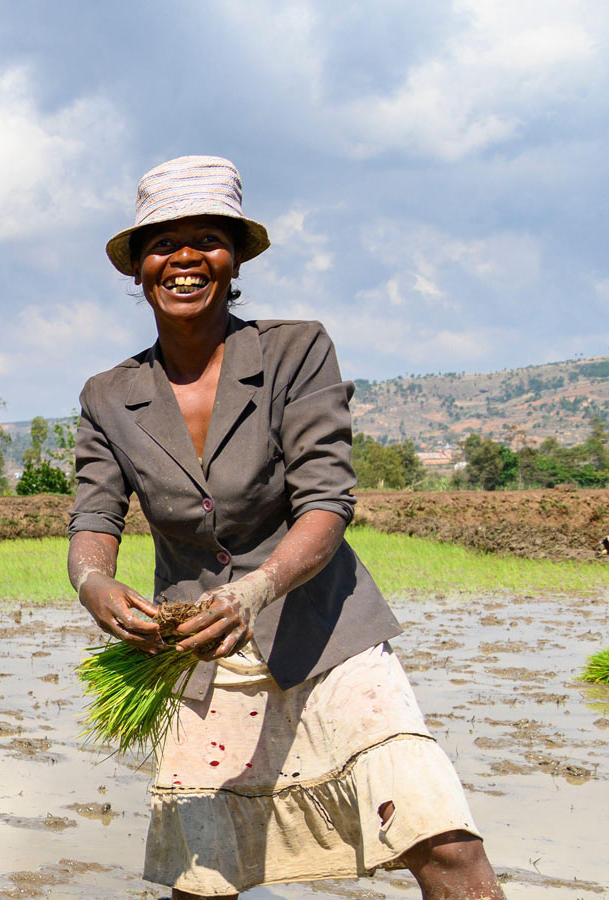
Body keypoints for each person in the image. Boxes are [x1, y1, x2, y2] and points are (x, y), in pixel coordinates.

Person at [67, 156, 502, 899]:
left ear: (234, 262)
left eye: (207, 238)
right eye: (162, 244)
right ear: (137, 269)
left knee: (443, 839)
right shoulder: (110, 396)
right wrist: (94, 582)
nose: (184, 259)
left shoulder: (296, 351)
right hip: (200, 649)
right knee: (203, 877)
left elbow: (327, 501)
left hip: (325, 632)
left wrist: (257, 591)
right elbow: (95, 517)